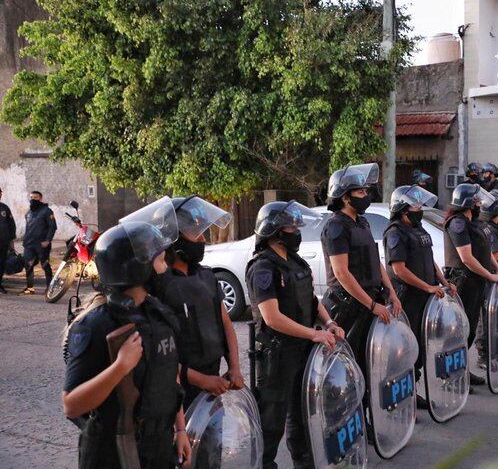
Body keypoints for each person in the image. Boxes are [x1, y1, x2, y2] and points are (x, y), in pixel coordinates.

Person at [62, 211, 192, 468]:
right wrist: (120, 367)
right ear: (138, 269)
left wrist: (180, 430)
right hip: (113, 453)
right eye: (160, 262)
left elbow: (169, 376)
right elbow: (71, 406)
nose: (165, 269)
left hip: (158, 447)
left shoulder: (158, 314)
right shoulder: (95, 325)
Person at [246, 200, 344, 469]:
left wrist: (329, 323)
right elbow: (271, 317)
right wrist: (312, 335)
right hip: (277, 355)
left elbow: (311, 300)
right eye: (291, 226)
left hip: (301, 351)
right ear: (275, 232)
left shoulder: (296, 262)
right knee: (271, 422)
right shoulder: (263, 268)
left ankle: (303, 462)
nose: (296, 231)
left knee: (301, 414)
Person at [149, 196, 243, 413]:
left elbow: (226, 325)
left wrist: (235, 367)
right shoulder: (159, 285)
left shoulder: (207, 277)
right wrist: (200, 380)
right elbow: (156, 350)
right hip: (178, 388)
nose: (203, 239)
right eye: (196, 233)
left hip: (213, 381)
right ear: (174, 238)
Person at [320, 163, 402, 369]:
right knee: (348, 364)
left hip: (369, 301)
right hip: (348, 306)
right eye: (360, 191)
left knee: (371, 362)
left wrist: (391, 292)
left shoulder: (362, 222)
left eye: (366, 190)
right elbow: (341, 273)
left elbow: (375, 260)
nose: (365, 195)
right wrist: (372, 305)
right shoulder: (336, 226)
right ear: (345, 197)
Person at [384, 185, 456, 406]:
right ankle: (397, 396)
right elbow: (399, 269)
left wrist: (444, 282)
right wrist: (427, 287)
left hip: (425, 298)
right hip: (408, 299)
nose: (419, 209)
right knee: (404, 348)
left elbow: (429, 259)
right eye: (414, 206)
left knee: (421, 347)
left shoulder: (419, 229)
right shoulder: (395, 232)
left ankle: (412, 392)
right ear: (402, 209)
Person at [443, 183, 498, 386]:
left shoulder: (473, 222)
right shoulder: (457, 224)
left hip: (476, 282)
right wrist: (489, 274)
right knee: (458, 331)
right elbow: (467, 258)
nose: (480, 204)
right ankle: (451, 377)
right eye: (477, 201)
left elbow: (485, 250)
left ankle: (462, 370)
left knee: (468, 329)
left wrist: (497, 269)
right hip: (463, 282)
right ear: (468, 203)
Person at [21, 190, 57, 295]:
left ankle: (49, 288)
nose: (33, 199)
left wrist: (48, 240)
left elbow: (53, 227)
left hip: (42, 244)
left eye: (35, 197)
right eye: (31, 197)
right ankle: (30, 288)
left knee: (45, 265)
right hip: (29, 244)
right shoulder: (29, 212)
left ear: (40, 198)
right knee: (28, 265)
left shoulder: (47, 211)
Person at [0, 187, 16, 294]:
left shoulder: (4, 208)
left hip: (3, 242)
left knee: (1, 264)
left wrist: (11, 240)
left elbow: (11, 225)